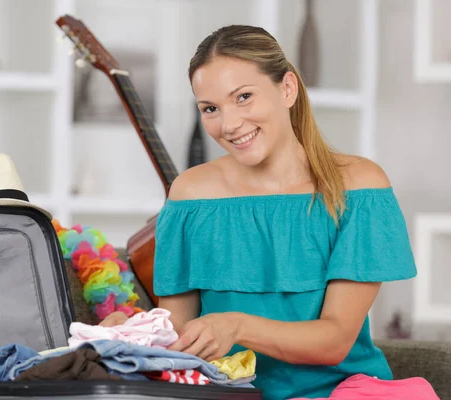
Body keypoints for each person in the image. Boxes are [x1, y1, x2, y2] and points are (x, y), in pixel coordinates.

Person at [101, 25, 417, 400]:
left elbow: (333, 341)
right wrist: (133, 334)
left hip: (341, 391)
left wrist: (236, 326)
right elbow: (180, 333)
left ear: (287, 88)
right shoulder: (189, 195)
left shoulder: (359, 187)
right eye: (211, 108)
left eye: (244, 97)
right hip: (229, 392)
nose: (230, 124)